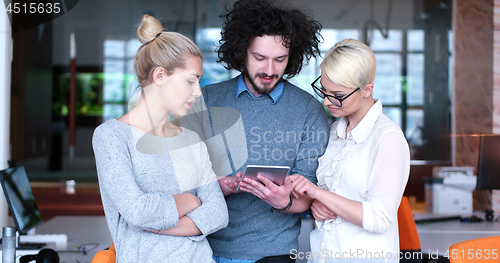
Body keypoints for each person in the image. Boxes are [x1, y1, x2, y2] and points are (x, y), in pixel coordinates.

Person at [180, 0, 329, 262]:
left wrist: (283, 201)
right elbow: (180, 183)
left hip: (274, 253)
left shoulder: (309, 111)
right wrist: (222, 186)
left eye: (279, 60)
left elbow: (306, 197)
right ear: (242, 52)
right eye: (259, 58)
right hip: (202, 250)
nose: (269, 70)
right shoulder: (205, 101)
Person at [92, 14, 228, 263]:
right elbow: (138, 211)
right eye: (190, 81)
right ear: (160, 76)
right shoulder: (111, 136)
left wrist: (162, 225)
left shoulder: (191, 139)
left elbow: (218, 213)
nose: (198, 92)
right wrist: (192, 199)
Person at [290, 38, 410, 263]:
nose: (326, 102)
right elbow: (337, 195)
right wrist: (317, 204)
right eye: (323, 91)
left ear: (367, 89)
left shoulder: (387, 137)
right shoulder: (335, 130)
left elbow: (379, 217)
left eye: (337, 95)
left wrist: (318, 193)